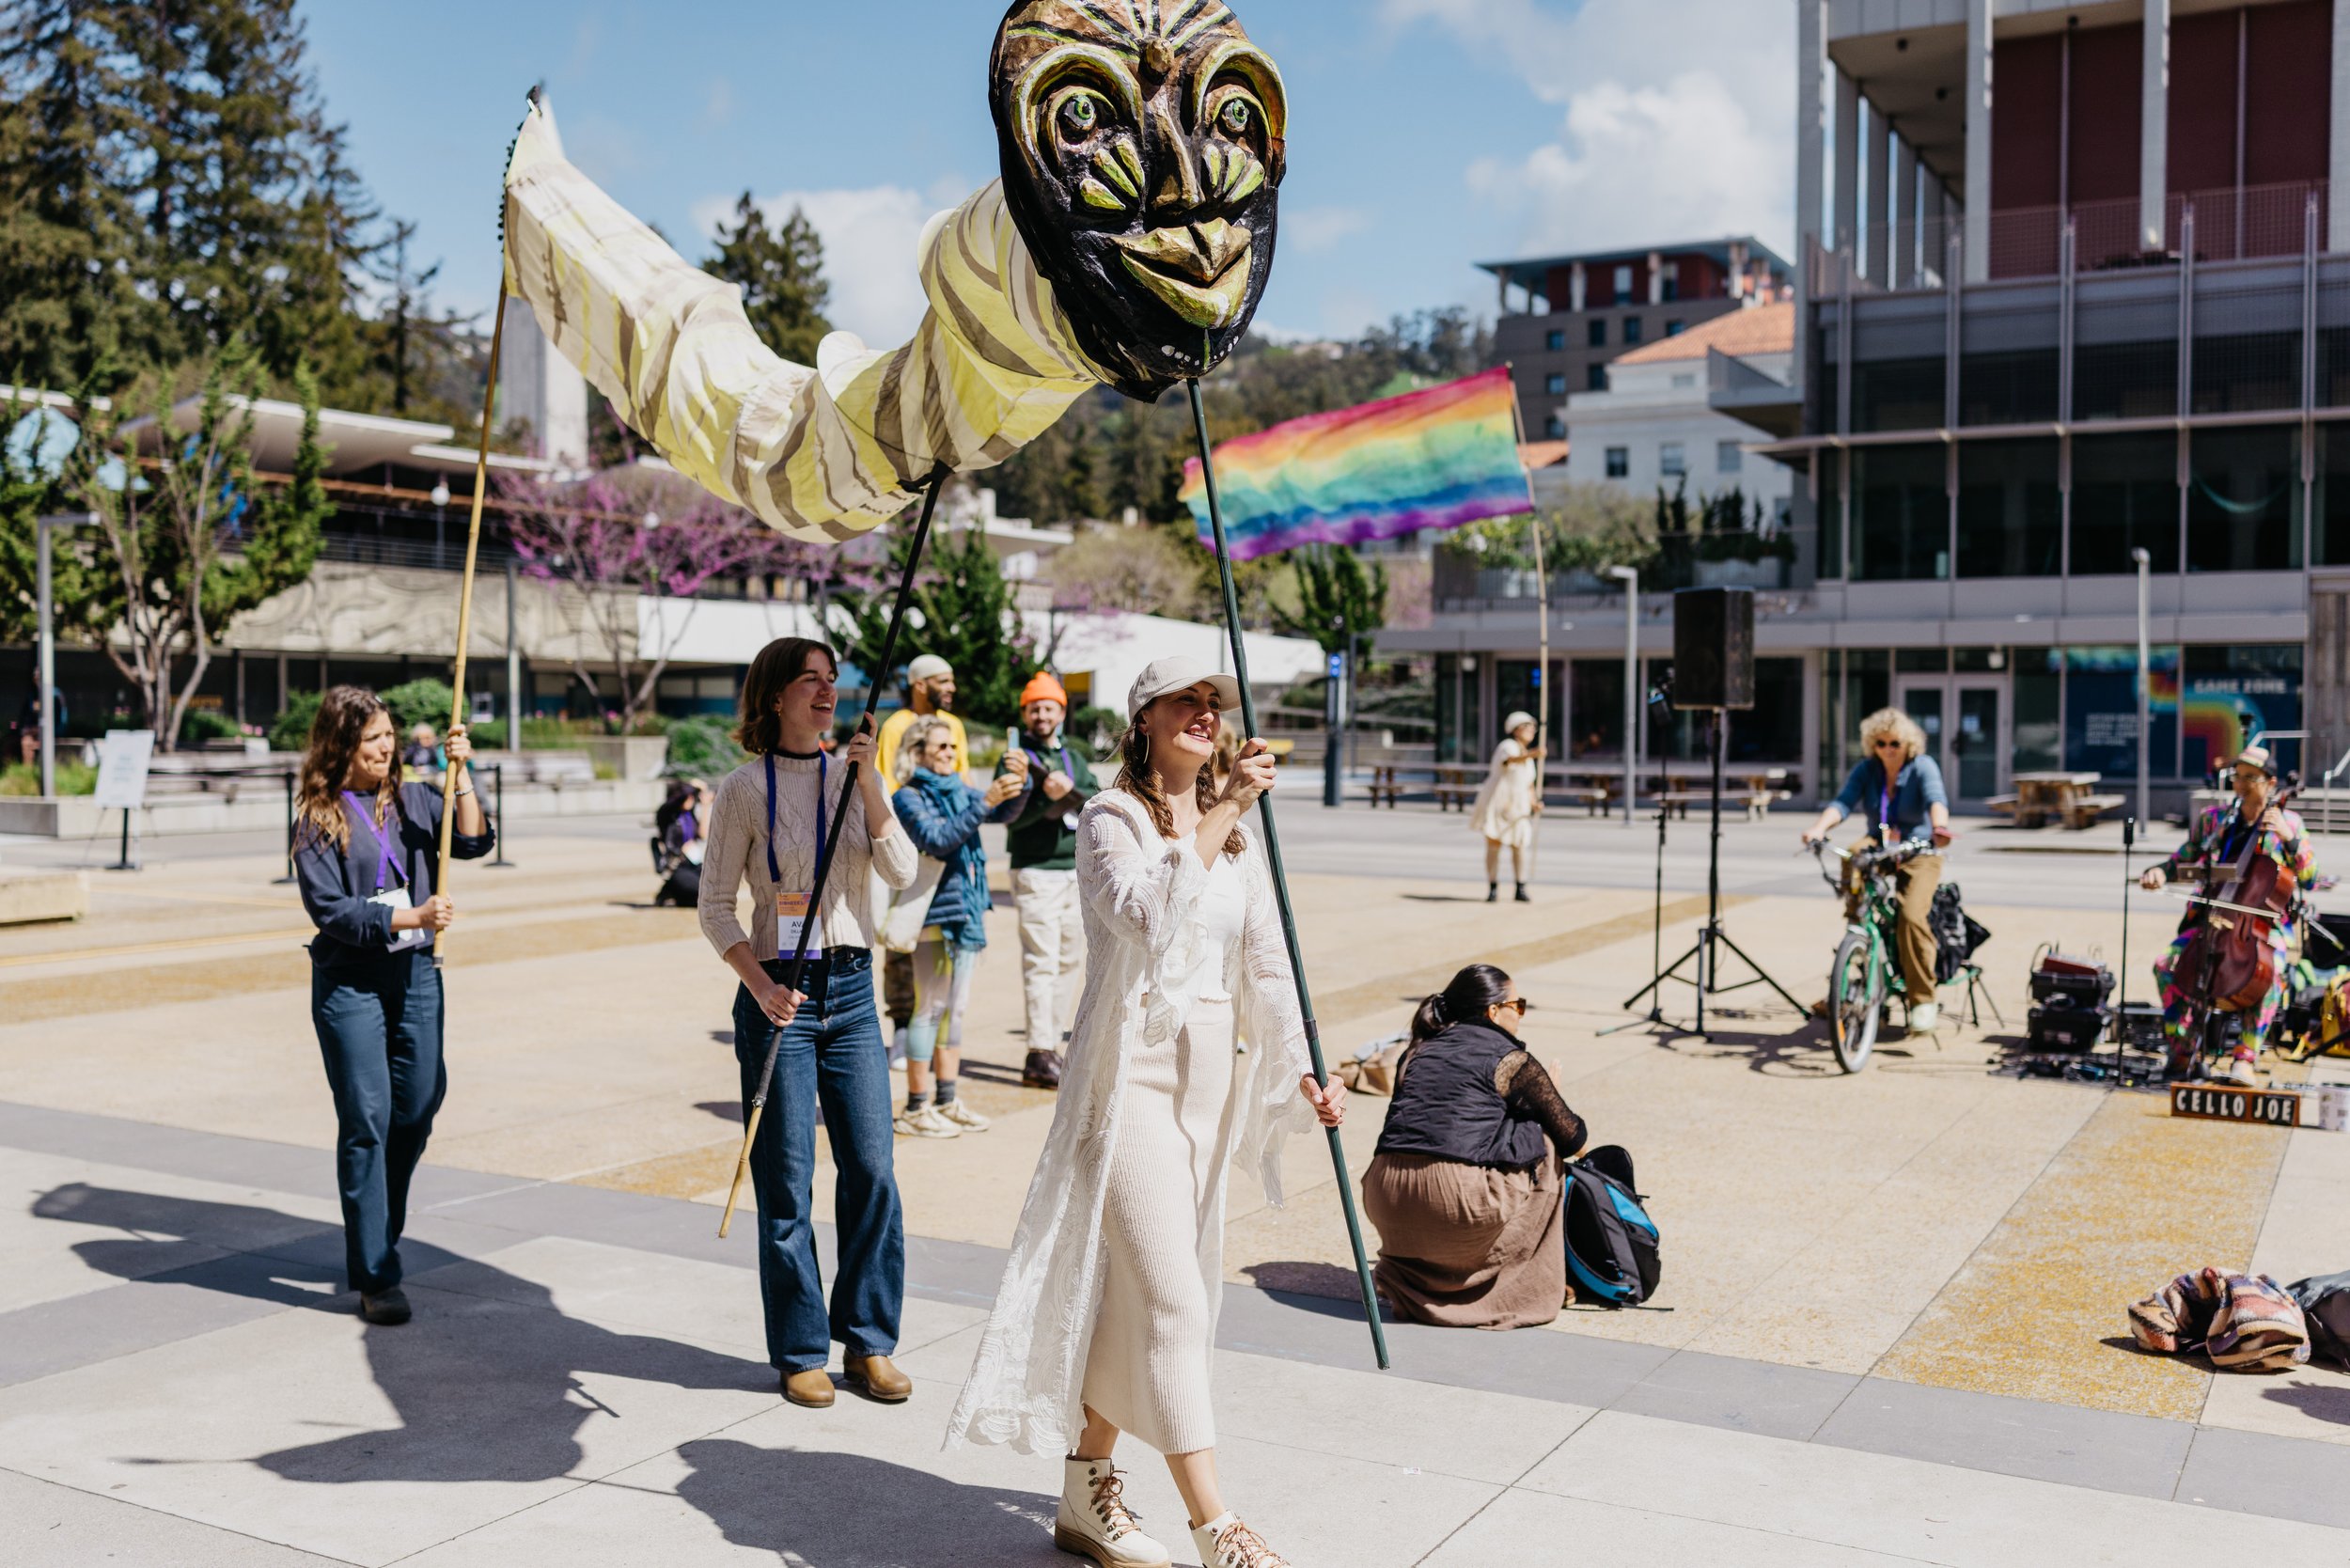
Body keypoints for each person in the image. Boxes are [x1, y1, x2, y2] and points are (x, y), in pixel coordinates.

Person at [948, 655, 1347, 1568]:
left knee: (1151, 1300)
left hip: (1208, 1085)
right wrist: (1226, 810)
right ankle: (1219, 1527)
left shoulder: (1235, 837)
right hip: (1127, 1080)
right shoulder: (1108, 819)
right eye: (1186, 701)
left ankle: (1086, 1491)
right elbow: (1145, 917)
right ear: (1142, 719)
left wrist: (1298, 1070)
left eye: (1214, 703)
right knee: (1172, 1300)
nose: (1206, 714)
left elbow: (1266, 964)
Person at [698, 635, 919, 1409]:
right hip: (779, 997)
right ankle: (799, 1350)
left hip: (854, 995)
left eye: (832, 681)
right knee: (786, 1182)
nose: (826, 692)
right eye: (809, 681)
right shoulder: (742, 789)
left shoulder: (853, 775)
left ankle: (869, 1341)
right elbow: (715, 906)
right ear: (774, 697)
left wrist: (870, 786)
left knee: (872, 1172)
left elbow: (902, 871)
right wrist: (759, 985)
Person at [291, 686, 494, 1327]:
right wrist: (413, 914)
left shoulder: (414, 801)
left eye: (389, 735)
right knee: (367, 1121)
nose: (386, 747)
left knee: (417, 1104)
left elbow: (473, 843)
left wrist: (461, 776)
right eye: (372, 737)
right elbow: (331, 912)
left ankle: (378, 1228)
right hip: (351, 984)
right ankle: (377, 1270)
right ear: (341, 744)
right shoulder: (319, 817)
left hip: (416, 977)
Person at [1361, 964, 1589, 1329]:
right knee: (1545, 1142)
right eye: (1519, 1005)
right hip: (1451, 1202)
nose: (1521, 1015)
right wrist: (1551, 1096)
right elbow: (1575, 1140)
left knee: (1514, 1134)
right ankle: (1525, 1286)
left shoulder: (1417, 1051)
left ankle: (1420, 1281)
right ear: (1494, 1011)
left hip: (1384, 1196)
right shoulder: (1511, 1059)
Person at [2140, 745, 2318, 1086]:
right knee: (2167, 965)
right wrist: (2160, 872)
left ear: (2271, 782)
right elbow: (2183, 859)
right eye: (2238, 776)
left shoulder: (2289, 822)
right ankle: (2183, 1048)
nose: (2242, 783)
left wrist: (2289, 839)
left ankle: (2245, 1059)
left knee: (2273, 972)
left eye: (2251, 777)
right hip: (2212, 918)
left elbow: (2310, 877)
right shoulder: (2214, 820)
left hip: (2263, 925)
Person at [892, 716, 1025, 1136]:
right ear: (918, 753)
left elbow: (1004, 812)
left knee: (955, 1011)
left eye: (952, 747)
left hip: (966, 912)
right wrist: (985, 801)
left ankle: (946, 1100)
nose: (951, 752)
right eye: (942, 747)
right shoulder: (908, 797)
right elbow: (939, 839)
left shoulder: (959, 790)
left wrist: (1018, 781)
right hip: (935, 914)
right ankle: (916, 1106)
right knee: (928, 1009)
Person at [1800, 707, 1953, 1033]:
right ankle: (1858, 926)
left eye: (1894, 743)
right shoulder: (1867, 769)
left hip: (1919, 848)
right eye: (1881, 743)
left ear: (1907, 742)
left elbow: (1936, 799)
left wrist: (1940, 827)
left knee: (1911, 916)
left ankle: (1923, 1000)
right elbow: (1842, 802)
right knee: (1852, 854)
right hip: (1882, 843)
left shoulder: (1922, 767)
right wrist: (1818, 828)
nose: (1887, 749)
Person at [992, 670, 1102, 1090]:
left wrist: (1070, 790)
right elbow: (1012, 817)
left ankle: (1052, 1047)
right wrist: (1045, 798)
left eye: (1049, 706)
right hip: (1034, 869)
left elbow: (1094, 797)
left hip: (1072, 870)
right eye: (1034, 707)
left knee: (1070, 959)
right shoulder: (1016, 757)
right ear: (1025, 712)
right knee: (1042, 958)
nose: (1042, 714)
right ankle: (1039, 1050)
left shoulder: (1073, 754)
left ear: (1061, 710)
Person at [876, 653, 966, 1062]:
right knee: (902, 938)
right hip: (908, 841)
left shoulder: (957, 726)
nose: (951, 687)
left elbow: (961, 781)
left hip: (949, 844)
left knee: (943, 944)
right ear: (918, 684)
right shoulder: (895, 725)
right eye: (942, 681)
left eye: (952, 680)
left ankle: (931, 1030)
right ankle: (900, 1027)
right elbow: (889, 780)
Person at [1468, 711, 1543, 903]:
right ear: (1517, 729)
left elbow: (1528, 784)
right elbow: (1508, 761)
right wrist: (1533, 755)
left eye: (1533, 728)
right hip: (1499, 802)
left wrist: (1534, 802)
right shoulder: (1508, 746)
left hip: (1519, 805)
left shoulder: (1527, 756)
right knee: (1494, 844)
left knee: (1519, 845)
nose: (1532, 731)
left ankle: (1520, 886)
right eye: (1528, 727)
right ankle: (1493, 886)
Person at [653, 776, 711, 907]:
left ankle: (677, 895)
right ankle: (670, 889)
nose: (692, 798)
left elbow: (703, 834)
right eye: (689, 795)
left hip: (694, 864)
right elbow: (677, 799)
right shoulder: (667, 814)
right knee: (701, 892)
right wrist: (691, 785)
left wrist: (705, 804)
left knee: (715, 889)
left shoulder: (689, 815)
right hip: (677, 867)